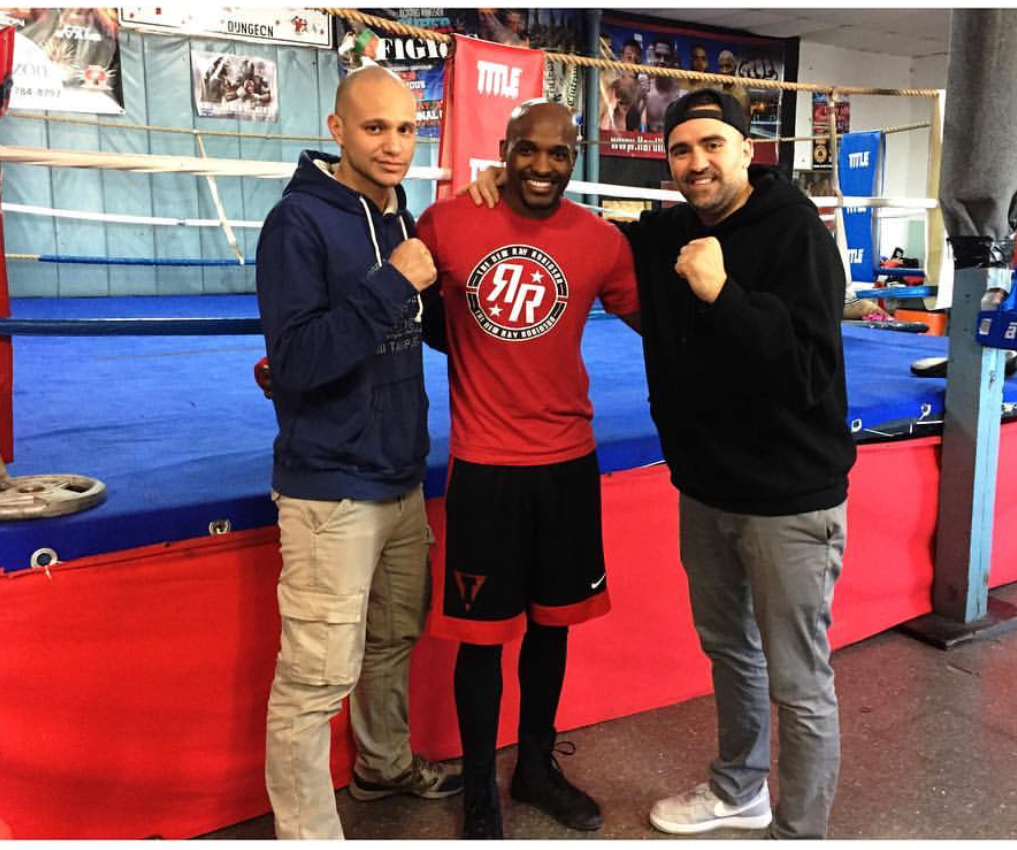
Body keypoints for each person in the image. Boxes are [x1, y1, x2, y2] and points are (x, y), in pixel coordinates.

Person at [465, 88, 855, 839]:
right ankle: (739, 789)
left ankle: (801, 831)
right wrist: (505, 190)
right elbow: (575, 231)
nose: (697, 162)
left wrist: (723, 294)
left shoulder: (796, 232)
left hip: (789, 500)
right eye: (681, 150)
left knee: (799, 678)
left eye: (712, 145)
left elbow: (808, 374)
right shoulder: (670, 231)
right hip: (706, 490)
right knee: (730, 651)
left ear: (747, 151)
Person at [415, 99, 640, 839]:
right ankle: (480, 786)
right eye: (528, 150)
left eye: (559, 153)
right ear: (505, 149)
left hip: (567, 463)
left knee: (553, 627)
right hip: (486, 468)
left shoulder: (600, 241)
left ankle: (536, 768)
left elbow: (669, 322)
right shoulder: (448, 223)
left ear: (574, 157)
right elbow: (403, 308)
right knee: (480, 638)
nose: (542, 166)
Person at [255, 64, 460, 840]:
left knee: (391, 640)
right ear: (337, 130)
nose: (394, 145)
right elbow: (296, 361)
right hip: (331, 490)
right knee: (314, 681)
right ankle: (307, 834)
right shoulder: (297, 224)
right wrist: (392, 285)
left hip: (399, 478)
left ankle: (381, 766)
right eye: (375, 128)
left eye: (407, 129)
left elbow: (425, 331)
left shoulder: (402, 217)